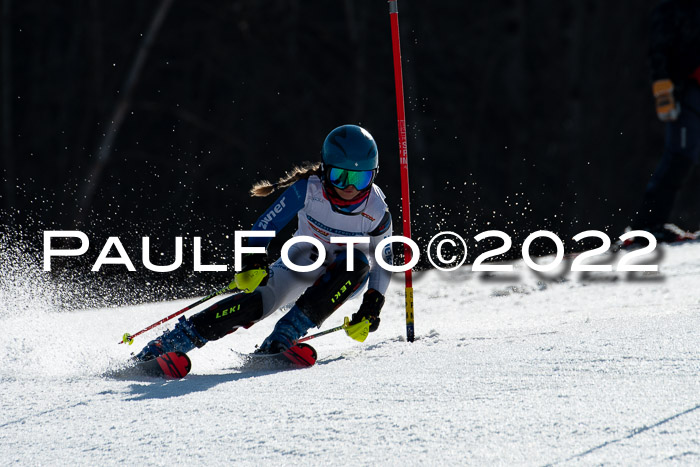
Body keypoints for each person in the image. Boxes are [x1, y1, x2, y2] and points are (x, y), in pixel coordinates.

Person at [135, 124, 393, 361]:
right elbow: (266, 224)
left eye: (360, 179)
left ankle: (284, 336)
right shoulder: (308, 190)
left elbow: (384, 258)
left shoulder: (377, 210)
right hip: (303, 261)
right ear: (325, 171)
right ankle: (171, 343)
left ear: (374, 175)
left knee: (356, 262)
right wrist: (254, 259)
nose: (349, 188)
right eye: (340, 177)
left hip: (346, 277)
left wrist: (373, 303)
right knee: (257, 301)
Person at [627, 0, 700, 243]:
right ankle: (647, 225)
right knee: (680, 154)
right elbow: (659, 49)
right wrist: (664, 90)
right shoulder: (671, 7)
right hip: (684, 89)